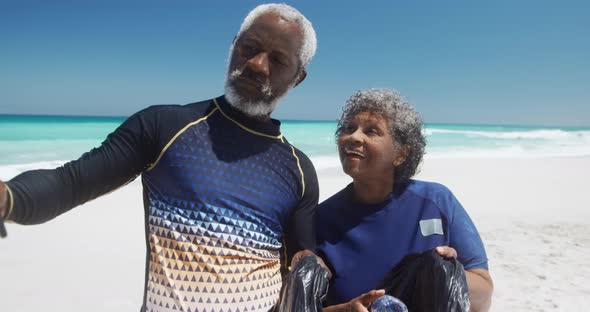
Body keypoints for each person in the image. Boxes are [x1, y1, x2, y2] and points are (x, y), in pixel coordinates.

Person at [0, 4, 320, 312]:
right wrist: (9, 198)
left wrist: (311, 266)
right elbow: (70, 182)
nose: (256, 64)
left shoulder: (298, 169)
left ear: (297, 77)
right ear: (234, 45)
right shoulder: (165, 127)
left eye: (277, 60)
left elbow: (300, 262)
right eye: (249, 47)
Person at [317, 89, 494, 312]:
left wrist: (445, 273)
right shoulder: (321, 219)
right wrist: (347, 310)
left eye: (371, 131)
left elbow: (484, 294)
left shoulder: (436, 201)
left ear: (401, 154)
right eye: (348, 128)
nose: (353, 137)